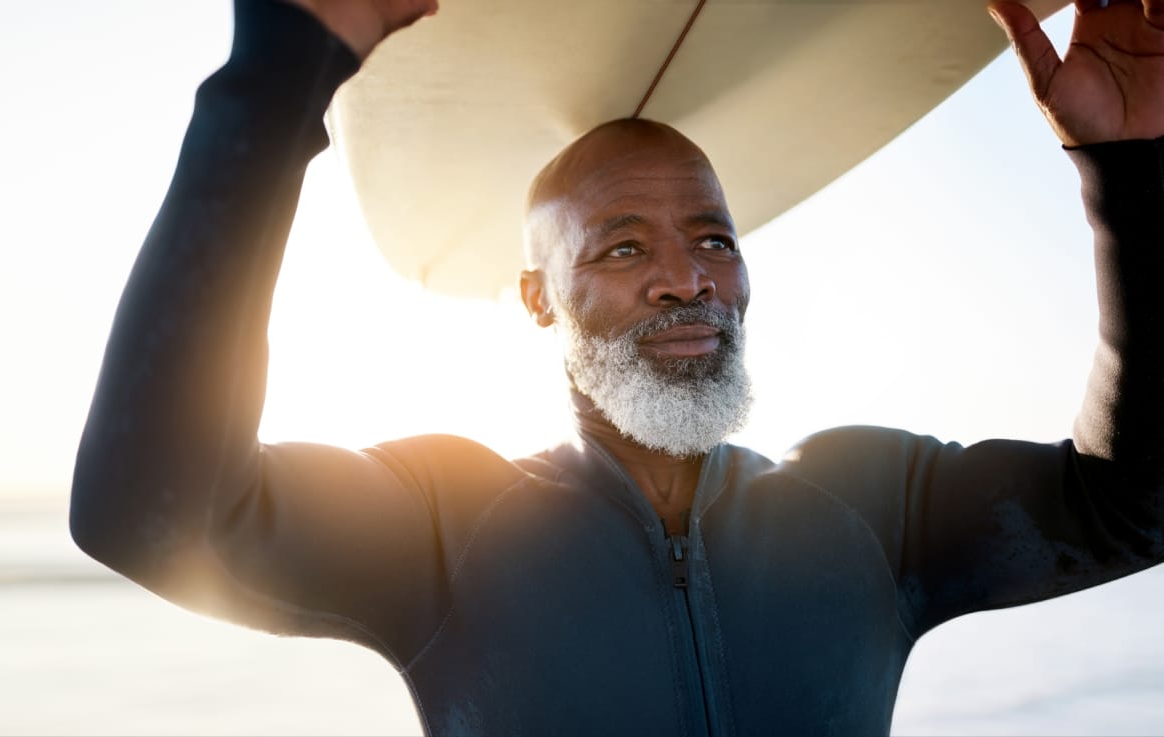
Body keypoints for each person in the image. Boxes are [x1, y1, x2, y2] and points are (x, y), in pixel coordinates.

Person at [70, 0, 1164, 734]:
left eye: (715, 239)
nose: (686, 278)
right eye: (624, 246)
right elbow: (149, 511)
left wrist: (1135, 178)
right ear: (539, 297)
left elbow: (1135, 502)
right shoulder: (442, 524)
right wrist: (277, 75)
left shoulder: (875, 509)